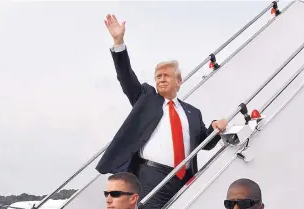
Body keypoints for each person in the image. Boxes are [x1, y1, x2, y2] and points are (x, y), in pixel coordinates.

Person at [96, 14, 228, 208]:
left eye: (166, 75)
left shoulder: (192, 112)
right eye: (158, 77)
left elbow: (203, 143)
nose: (161, 79)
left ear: (179, 81)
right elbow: (125, 76)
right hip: (151, 177)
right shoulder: (146, 98)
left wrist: (215, 127)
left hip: (186, 179)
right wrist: (118, 42)